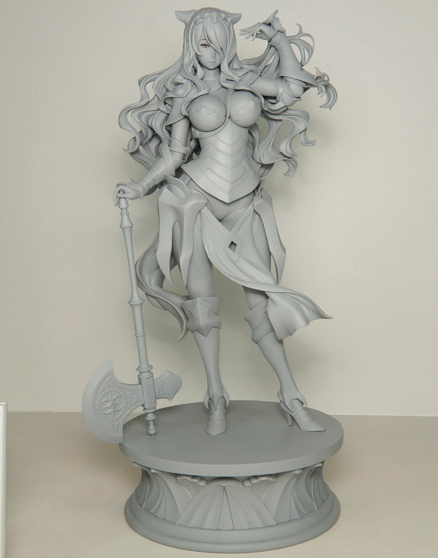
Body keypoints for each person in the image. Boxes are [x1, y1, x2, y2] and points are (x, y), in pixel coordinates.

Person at [114, 8, 336, 436]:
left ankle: (292, 396)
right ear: (191, 45)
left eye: (218, 41)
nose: (212, 50)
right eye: (203, 42)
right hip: (197, 202)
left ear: (228, 42)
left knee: (263, 301)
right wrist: (140, 187)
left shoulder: (247, 81)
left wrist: (279, 40)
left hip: (246, 201)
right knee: (202, 305)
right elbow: (175, 154)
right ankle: (216, 395)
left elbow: (292, 88)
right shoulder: (183, 92)